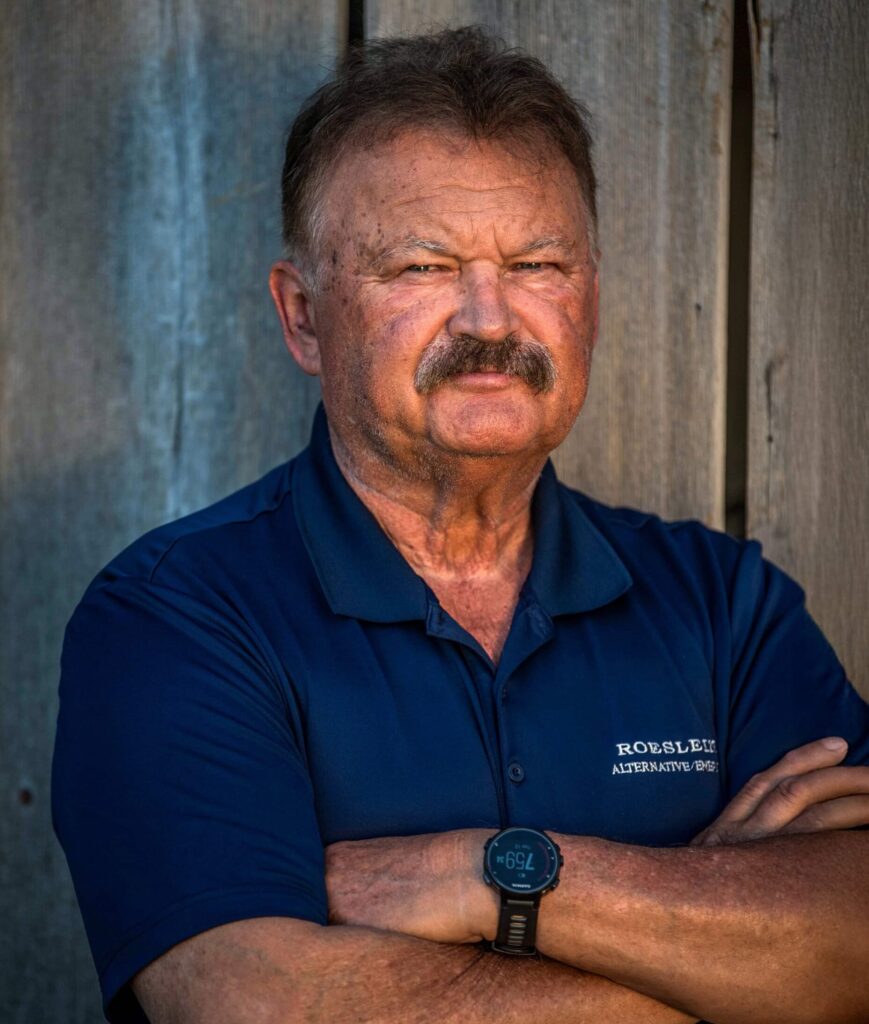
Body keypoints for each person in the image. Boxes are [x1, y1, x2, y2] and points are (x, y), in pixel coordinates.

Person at [53, 26, 869, 1024]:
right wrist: (707, 938)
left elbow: (854, 953)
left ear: (593, 301)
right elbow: (255, 1002)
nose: (490, 319)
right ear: (302, 316)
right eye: (422, 267)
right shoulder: (176, 617)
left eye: (536, 263)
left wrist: (490, 879)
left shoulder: (722, 605)